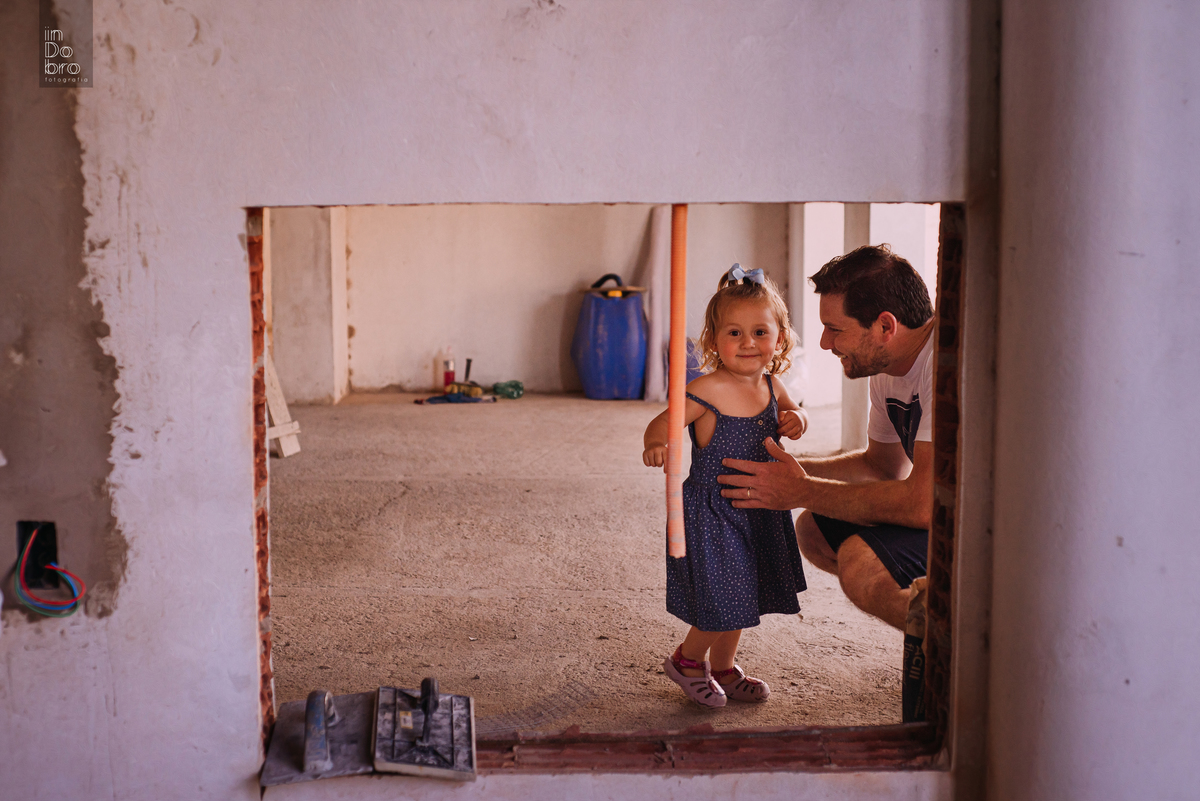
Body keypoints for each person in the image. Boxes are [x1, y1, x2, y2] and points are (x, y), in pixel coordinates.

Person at [715, 245, 935, 631]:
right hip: (944, 509)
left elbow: (922, 504)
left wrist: (801, 491)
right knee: (814, 530)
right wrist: (773, 476)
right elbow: (881, 466)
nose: (823, 343)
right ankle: (931, 623)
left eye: (835, 329)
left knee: (859, 560)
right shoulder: (889, 365)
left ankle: (961, 652)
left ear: (886, 327)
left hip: (1005, 534)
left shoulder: (943, 365)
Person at [642, 264, 809, 708]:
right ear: (714, 341)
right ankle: (688, 660)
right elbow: (664, 422)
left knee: (745, 592)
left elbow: (797, 414)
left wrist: (797, 421)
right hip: (714, 511)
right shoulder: (709, 388)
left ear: (780, 337)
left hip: (759, 504)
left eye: (759, 331)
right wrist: (657, 443)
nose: (748, 342)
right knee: (723, 594)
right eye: (734, 333)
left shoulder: (774, 386)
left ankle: (723, 667)